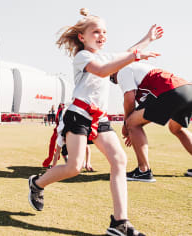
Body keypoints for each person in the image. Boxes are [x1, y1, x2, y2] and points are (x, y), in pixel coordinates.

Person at [27, 8, 162, 236]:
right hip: (79, 115)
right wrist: (134, 56)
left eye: (104, 32)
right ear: (82, 37)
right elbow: (101, 71)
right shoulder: (83, 57)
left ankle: (119, 223)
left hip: (99, 117)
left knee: (119, 160)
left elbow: (127, 52)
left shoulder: (106, 56)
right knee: (74, 167)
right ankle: (37, 184)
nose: (102, 35)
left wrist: (147, 39)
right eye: (96, 31)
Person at [109, 62, 192, 181]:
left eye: (112, 78)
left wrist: (128, 124)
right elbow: (143, 110)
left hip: (171, 91)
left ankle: (143, 171)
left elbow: (129, 98)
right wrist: (133, 130)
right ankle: (143, 170)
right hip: (187, 89)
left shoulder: (122, 70)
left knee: (132, 123)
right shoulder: (139, 72)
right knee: (176, 128)